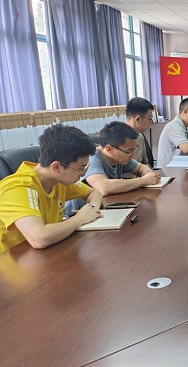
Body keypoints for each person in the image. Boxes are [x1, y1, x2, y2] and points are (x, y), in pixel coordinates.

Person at [0, 124, 103, 253]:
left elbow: (94, 193)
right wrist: (80, 218)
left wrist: (92, 209)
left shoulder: (58, 180)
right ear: (57, 167)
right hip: (12, 260)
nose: (83, 174)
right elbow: (39, 238)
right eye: (80, 169)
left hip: (47, 253)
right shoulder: (18, 188)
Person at [81, 121, 161, 196]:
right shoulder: (91, 159)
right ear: (109, 149)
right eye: (129, 151)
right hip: (87, 206)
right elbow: (104, 187)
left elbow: (141, 167)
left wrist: (147, 172)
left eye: (134, 150)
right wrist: (144, 180)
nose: (132, 156)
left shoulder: (118, 158)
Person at [125, 97, 155, 166]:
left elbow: (145, 164)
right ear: (138, 119)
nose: (151, 122)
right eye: (150, 119)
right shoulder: (118, 139)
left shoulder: (140, 137)